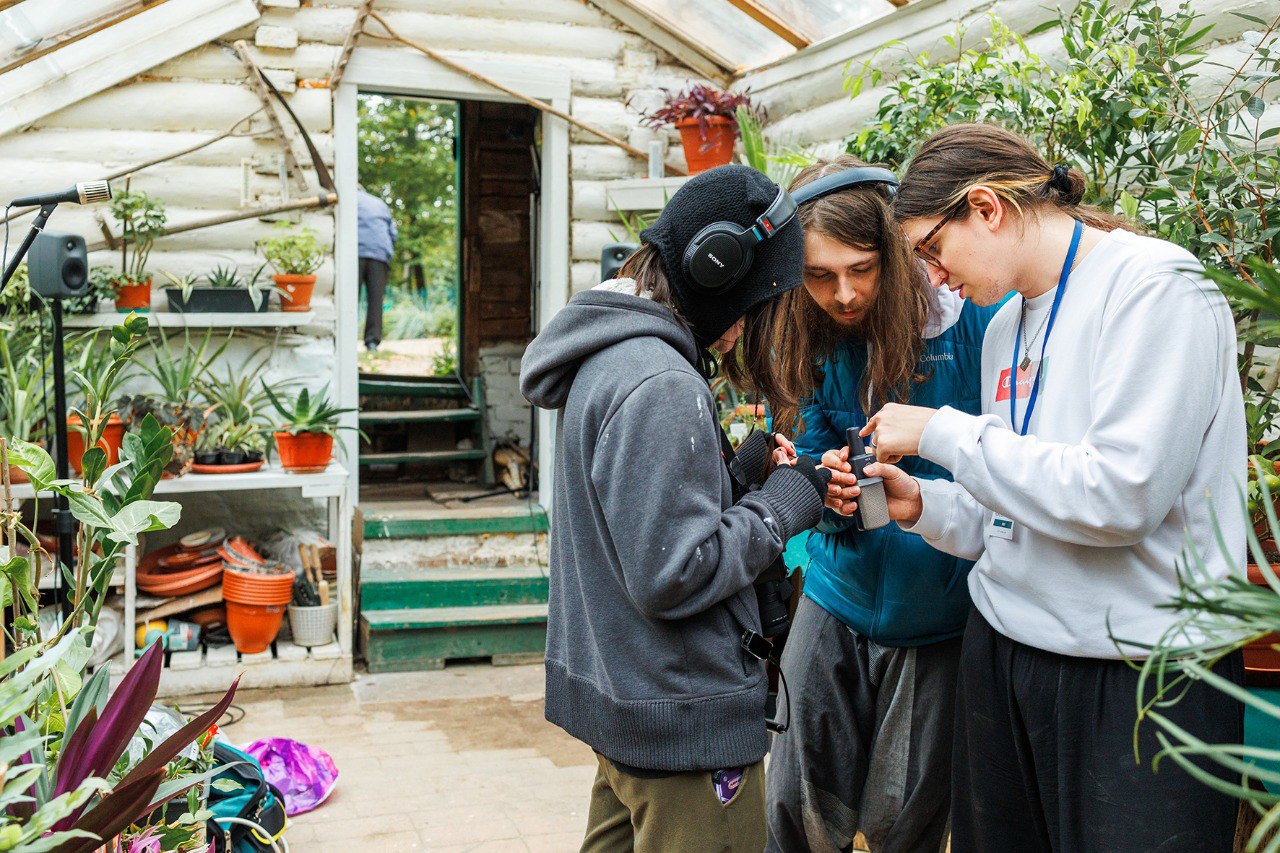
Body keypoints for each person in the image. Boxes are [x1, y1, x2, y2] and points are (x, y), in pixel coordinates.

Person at [849, 123, 1246, 852]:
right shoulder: (1005, 325)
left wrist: (942, 432)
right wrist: (926, 504)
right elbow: (1016, 509)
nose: (934, 279)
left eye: (931, 250)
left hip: (1138, 680)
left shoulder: (1156, 287)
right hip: (1007, 655)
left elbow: (1120, 497)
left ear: (987, 207)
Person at [520, 164, 831, 851]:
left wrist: (737, 471)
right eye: (757, 302)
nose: (749, 325)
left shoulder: (610, 355)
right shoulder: (661, 382)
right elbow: (674, 571)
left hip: (633, 709)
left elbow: (634, 518)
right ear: (717, 270)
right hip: (684, 730)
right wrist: (784, 503)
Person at [760, 156, 999, 853]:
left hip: (939, 617)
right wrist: (823, 486)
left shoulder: (972, 322)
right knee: (794, 803)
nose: (842, 293)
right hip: (838, 595)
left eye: (861, 268)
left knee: (907, 819)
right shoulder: (810, 333)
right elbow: (807, 457)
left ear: (894, 252)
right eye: (819, 274)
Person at [356, 184, 397, 351]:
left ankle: (346, 338)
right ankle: (372, 341)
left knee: (350, 299)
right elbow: (392, 233)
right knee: (375, 299)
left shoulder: (349, 201)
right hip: (379, 254)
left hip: (355, 252)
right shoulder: (379, 203)